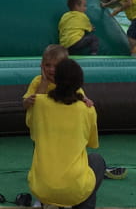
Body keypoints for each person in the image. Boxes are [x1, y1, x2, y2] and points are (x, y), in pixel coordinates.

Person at [26, 58, 106, 209]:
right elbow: (91, 142)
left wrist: (43, 80)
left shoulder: (39, 104)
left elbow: (32, 126)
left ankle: (46, 202)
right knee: (97, 160)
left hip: (41, 188)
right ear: (79, 84)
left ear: (55, 78)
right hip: (74, 189)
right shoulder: (87, 110)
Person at [22, 45, 90, 109]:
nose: (51, 69)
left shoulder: (69, 81)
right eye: (47, 65)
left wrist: (86, 101)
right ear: (42, 65)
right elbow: (30, 105)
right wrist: (44, 82)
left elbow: (83, 99)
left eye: (56, 66)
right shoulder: (37, 81)